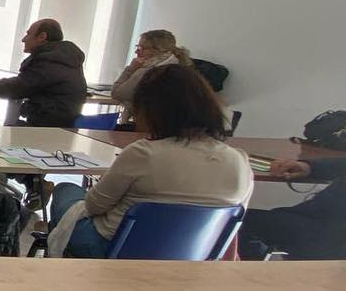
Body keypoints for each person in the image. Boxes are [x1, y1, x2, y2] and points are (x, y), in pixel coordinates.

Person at [45, 64, 251, 258]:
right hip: (192, 255)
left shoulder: (143, 153)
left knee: (65, 190)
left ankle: (53, 264)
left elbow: (94, 206)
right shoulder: (239, 161)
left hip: (114, 248)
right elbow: (233, 219)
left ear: (151, 110)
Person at [0, 18, 87, 127]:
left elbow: (14, 89)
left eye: (28, 34)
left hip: (45, 129)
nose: (23, 39)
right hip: (62, 127)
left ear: (42, 37)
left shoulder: (49, 60)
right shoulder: (65, 58)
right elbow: (23, 84)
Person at [239, 157, 346, 260]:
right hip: (320, 219)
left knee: (239, 222)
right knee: (245, 221)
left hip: (329, 232)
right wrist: (309, 167)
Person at [111, 29, 190, 121]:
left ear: (158, 50)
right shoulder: (179, 66)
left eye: (142, 48)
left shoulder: (149, 71)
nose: (136, 51)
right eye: (137, 47)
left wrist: (131, 69)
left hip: (147, 123)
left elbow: (116, 93)